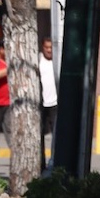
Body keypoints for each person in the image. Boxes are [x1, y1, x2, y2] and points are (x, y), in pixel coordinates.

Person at [39, 36, 58, 164]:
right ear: (42, 47)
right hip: (40, 103)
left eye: (51, 47)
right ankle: (41, 163)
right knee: (39, 134)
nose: (49, 50)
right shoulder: (38, 60)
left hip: (55, 103)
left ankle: (54, 161)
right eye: (47, 47)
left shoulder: (57, 60)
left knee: (56, 134)